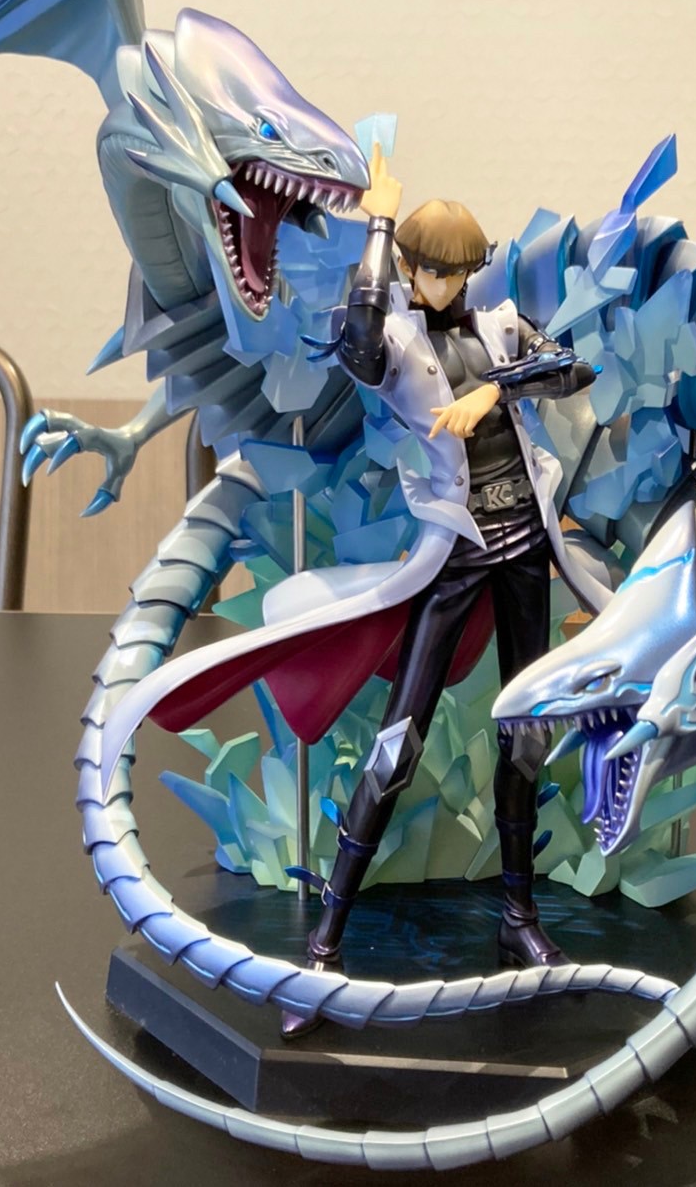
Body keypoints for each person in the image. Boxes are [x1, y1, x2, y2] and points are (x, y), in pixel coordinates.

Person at [280, 150, 600, 1031]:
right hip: (455, 549)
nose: (444, 285)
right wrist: (379, 223)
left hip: (526, 541)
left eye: (457, 271)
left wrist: (494, 390)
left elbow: (573, 368)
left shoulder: (497, 328)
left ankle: (518, 916)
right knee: (400, 743)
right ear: (411, 266)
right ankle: (325, 943)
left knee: (526, 728)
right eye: (430, 270)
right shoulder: (396, 340)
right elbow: (355, 340)